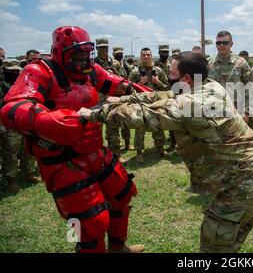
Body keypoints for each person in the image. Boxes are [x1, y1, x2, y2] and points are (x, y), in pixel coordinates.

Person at [79, 51, 253, 253]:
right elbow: (162, 95)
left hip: (245, 181)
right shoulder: (209, 86)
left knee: (213, 243)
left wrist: (94, 114)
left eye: (171, 75)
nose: (168, 79)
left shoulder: (190, 105)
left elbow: (143, 115)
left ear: (184, 78)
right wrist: (121, 98)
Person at [0, 26, 147, 253]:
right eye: (76, 55)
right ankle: (78, 247)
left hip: (95, 151)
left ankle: (119, 248)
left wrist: (144, 93)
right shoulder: (39, 70)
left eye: (85, 54)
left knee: (123, 194)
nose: (82, 60)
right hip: (61, 160)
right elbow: (12, 107)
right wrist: (48, 121)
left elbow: (114, 83)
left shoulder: (90, 70)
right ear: (60, 52)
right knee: (84, 222)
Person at [0, 58, 41, 193]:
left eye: (17, 71)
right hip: (9, 126)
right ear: (4, 71)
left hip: (24, 123)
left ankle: (29, 173)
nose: (15, 74)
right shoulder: (1, 87)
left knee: (28, 150)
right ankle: (11, 179)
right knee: (11, 153)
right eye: (11, 71)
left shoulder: (23, 85)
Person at [128, 47, 169, 160]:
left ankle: (160, 148)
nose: (146, 57)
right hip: (140, 103)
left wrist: (158, 82)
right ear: (141, 57)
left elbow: (167, 87)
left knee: (158, 126)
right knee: (139, 126)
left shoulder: (159, 71)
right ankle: (139, 151)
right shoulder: (135, 72)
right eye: (144, 55)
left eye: (148, 55)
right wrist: (141, 82)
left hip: (156, 103)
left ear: (151, 56)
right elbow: (128, 89)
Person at [209, 31, 253, 123]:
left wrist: (246, 111)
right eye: (218, 43)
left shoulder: (241, 63)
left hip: (238, 111)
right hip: (216, 112)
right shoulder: (209, 64)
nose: (221, 45)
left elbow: (250, 88)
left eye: (225, 43)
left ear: (231, 44)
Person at [112, 46, 133, 152]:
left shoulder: (124, 65)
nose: (119, 55)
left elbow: (130, 74)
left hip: (124, 98)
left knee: (125, 121)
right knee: (114, 122)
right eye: (117, 53)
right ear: (113, 54)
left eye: (121, 53)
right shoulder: (113, 64)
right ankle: (117, 146)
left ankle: (127, 144)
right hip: (114, 98)